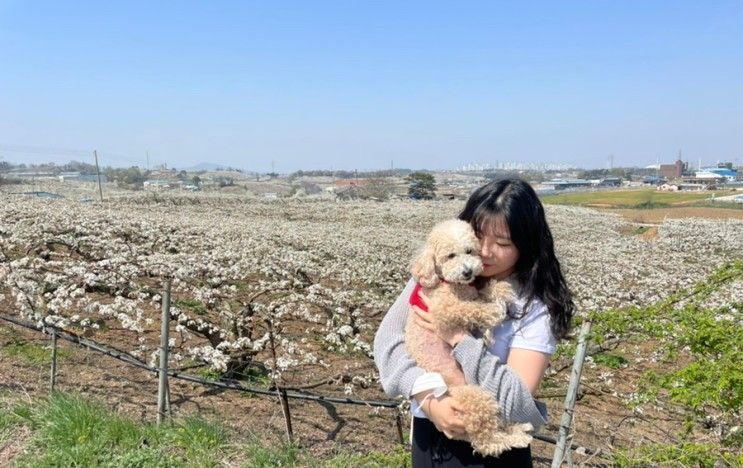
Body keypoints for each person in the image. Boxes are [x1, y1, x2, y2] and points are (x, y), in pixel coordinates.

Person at [373, 178, 574, 467]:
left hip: (494, 453)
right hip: (431, 439)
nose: (486, 251)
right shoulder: (435, 276)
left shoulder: (532, 307)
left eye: (502, 242)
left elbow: (515, 401)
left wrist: (458, 338)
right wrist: (429, 398)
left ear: (525, 244)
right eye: (479, 236)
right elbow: (387, 344)